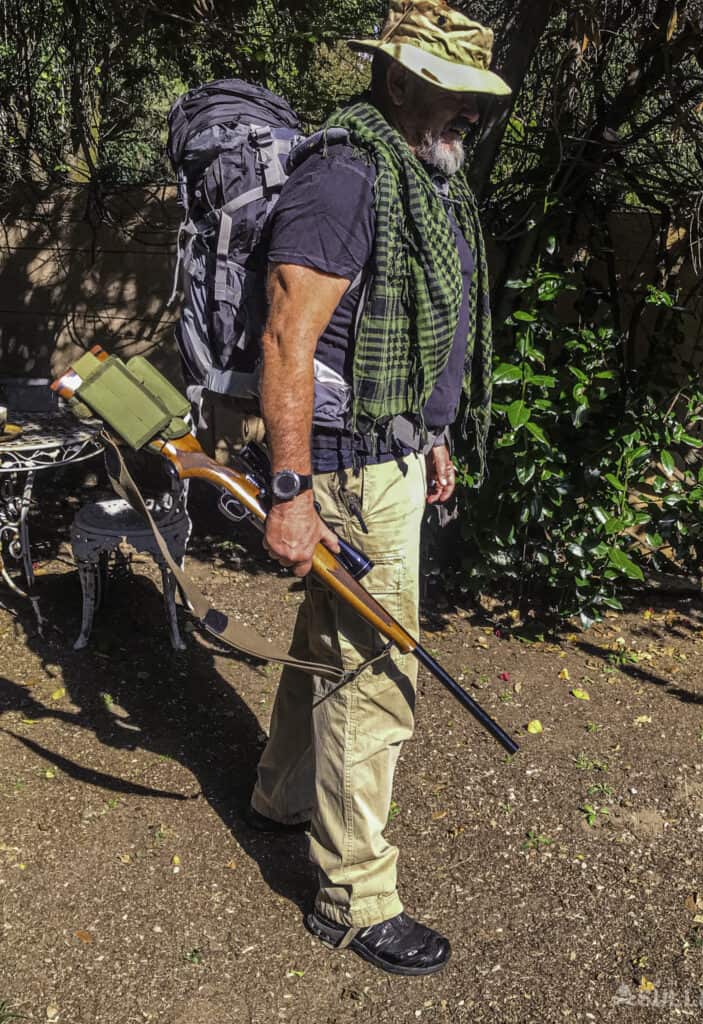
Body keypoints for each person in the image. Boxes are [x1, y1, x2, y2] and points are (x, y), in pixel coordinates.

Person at [248, 0, 510, 976]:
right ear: (397, 80)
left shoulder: (423, 178)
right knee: (377, 672)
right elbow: (288, 338)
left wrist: (431, 435)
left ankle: (280, 794)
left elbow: (422, 329)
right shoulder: (346, 174)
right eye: (454, 92)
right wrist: (289, 487)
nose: (470, 115)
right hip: (345, 465)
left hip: (391, 453)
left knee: (330, 637)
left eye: (479, 99)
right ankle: (354, 899)